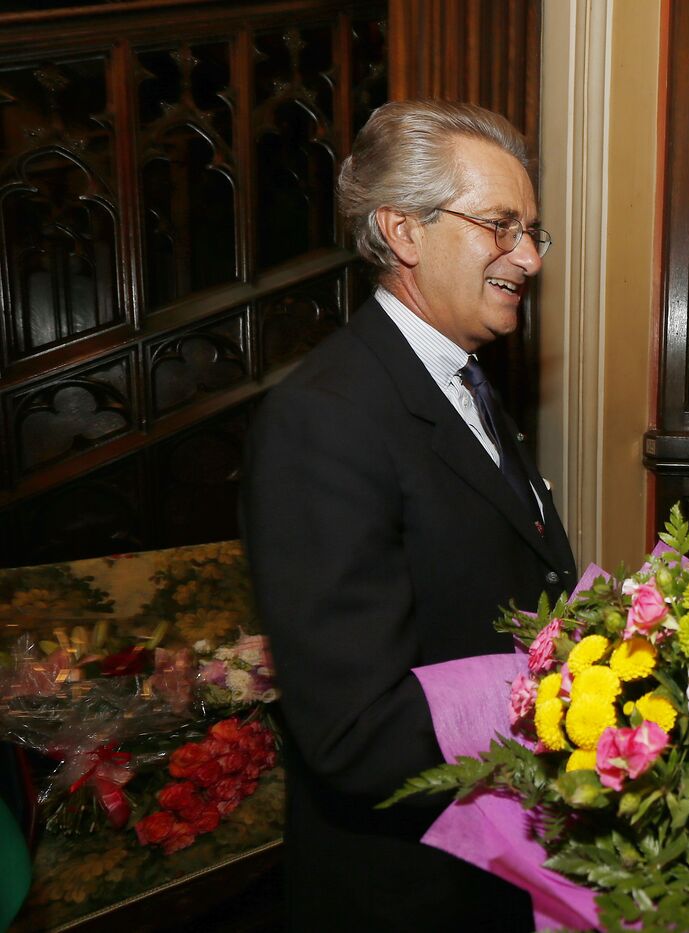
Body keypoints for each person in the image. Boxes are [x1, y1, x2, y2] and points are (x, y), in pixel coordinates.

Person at [241, 100, 577, 930]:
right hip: (410, 888)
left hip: (492, 861)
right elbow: (357, 732)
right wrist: (576, 705)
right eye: (502, 226)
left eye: (533, 232)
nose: (528, 257)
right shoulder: (326, 414)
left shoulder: (461, 380)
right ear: (403, 231)